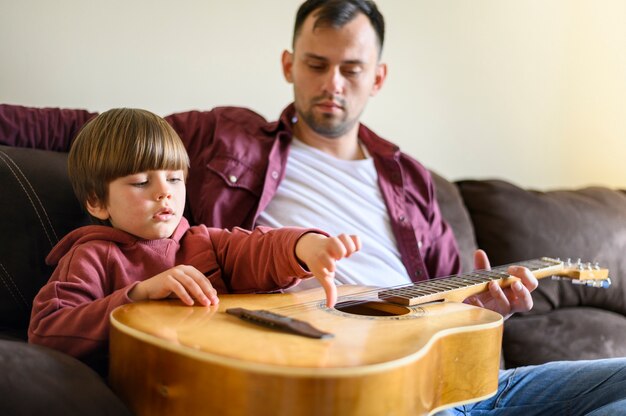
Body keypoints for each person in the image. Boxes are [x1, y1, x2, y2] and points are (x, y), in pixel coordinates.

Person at [164, 1, 626, 415]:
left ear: (378, 77)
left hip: (464, 383)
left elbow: (457, 302)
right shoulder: (225, 138)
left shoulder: (410, 179)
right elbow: (105, 138)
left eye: (352, 68)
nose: (332, 84)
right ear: (288, 65)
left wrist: (487, 309)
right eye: (316, 64)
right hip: (362, 387)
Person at [27, 108, 361, 371]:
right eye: (142, 182)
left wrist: (307, 247)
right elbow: (46, 330)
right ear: (97, 202)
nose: (164, 194)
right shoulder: (90, 256)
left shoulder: (204, 242)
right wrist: (139, 294)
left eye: (174, 178)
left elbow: (260, 247)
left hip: (229, 373)